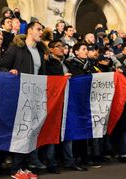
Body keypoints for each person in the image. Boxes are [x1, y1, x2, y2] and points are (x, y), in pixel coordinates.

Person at [0, 22, 46, 179]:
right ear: (30, 31)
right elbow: (2, 66)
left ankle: (25, 167)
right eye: (38, 30)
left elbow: (43, 74)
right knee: (22, 131)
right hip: (19, 95)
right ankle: (15, 169)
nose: (41, 32)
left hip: (35, 96)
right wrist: (10, 71)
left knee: (31, 132)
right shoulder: (16, 48)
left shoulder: (39, 50)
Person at [44, 40, 87, 174]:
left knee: (68, 131)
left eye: (63, 46)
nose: (62, 49)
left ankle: (69, 161)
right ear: (50, 49)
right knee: (52, 132)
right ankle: (51, 163)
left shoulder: (67, 63)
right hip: (53, 101)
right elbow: (46, 79)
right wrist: (61, 78)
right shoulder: (47, 63)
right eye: (58, 46)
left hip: (67, 100)